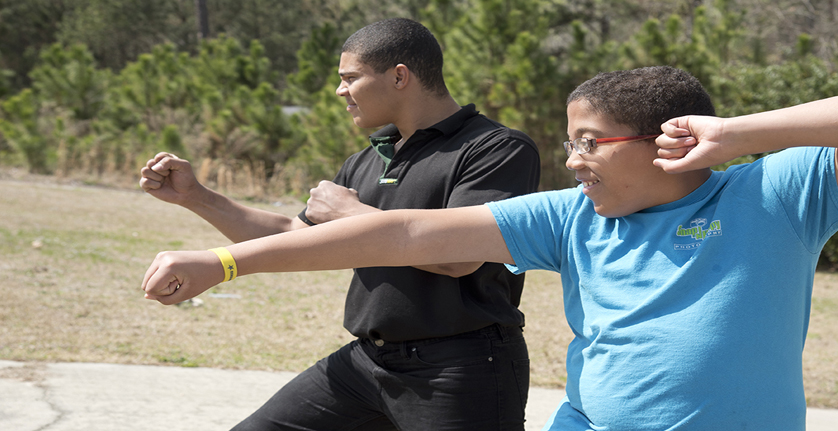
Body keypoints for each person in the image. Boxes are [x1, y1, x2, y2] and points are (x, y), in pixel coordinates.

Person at [141, 66, 838, 430]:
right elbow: (400, 231)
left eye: (590, 143)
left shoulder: (773, 193)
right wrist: (223, 262)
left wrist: (739, 134)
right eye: (570, 142)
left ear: (667, 141)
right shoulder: (573, 214)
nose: (572, 160)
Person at [138, 18, 540, 431]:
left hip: (460, 366)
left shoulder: (496, 148)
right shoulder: (367, 160)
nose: (339, 90)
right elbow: (292, 237)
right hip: (367, 362)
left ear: (400, 76)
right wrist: (197, 196)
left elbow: (460, 258)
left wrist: (351, 215)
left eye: (350, 78)